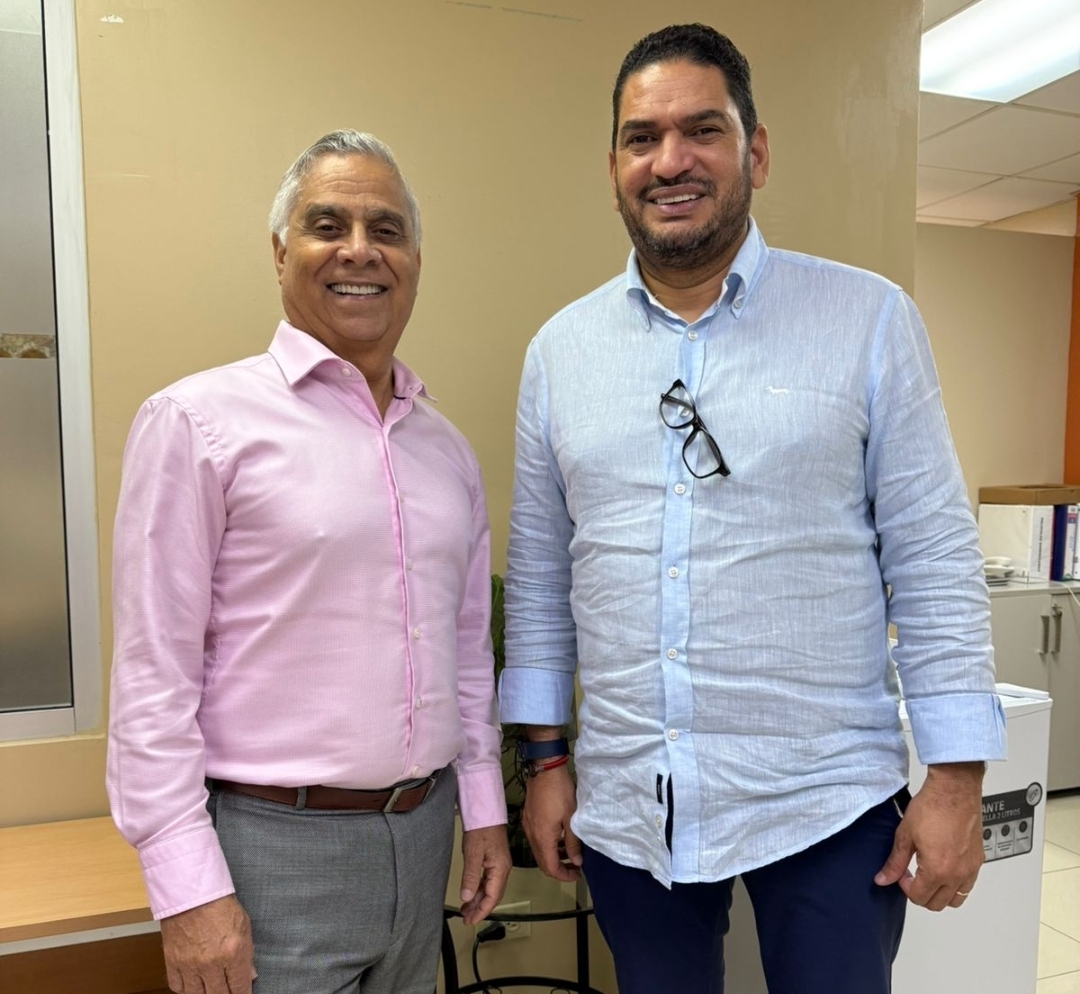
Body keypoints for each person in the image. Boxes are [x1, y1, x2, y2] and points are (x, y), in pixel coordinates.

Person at [499, 23, 1006, 994]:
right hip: (632, 798)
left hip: (826, 800)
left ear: (756, 152)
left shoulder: (867, 321)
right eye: (642, 137)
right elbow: (541, 576)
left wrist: (956, 777)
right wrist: (546, 761)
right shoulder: (560, 353)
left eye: (704, 130)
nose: (670, 160)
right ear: (613, 167)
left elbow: (935, 559)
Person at [107, 129, 510, 994]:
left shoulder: (445, 449)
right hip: (270, 851)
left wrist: (483, 810)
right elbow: (152, 679)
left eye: (386, 230)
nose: (359, 250)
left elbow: (467, 655)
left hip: (424, 834)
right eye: (328, 225)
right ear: (280, 252)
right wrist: (188, 894)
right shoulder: (197, 423)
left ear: (415, 261)